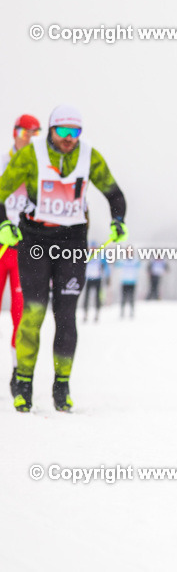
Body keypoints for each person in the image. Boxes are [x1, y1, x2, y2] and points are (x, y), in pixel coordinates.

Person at [0, 105, 128, 412]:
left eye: (76, 132)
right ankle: (24, 383)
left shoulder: (89, 156)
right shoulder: (30, 156)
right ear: (52, 129)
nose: (70, 138)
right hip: (34, 238)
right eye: (64, 131)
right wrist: (4, 223)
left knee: (66, 315)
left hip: (72, 240)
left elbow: (114, 192)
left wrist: (118, 220)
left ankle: (61, 385)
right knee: (33, 313)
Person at [2, 114, 39, 395]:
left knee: (21, 314)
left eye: (34, 134)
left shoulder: (39, 168)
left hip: (24, 249)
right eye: (24, 133)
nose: (28, 139)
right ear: (15, 133)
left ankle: (18, 373)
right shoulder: (4, 162)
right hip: (1, 244)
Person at [81, 241, 110, 322]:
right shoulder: (87, 254)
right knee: (86, 297)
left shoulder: (100, 255)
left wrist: (108, 276)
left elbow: (106, 266)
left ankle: (97, 313)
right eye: (91, 247)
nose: (93, 249)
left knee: (98, 297)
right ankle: (85, 313)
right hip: (88, 279)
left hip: (97, 279)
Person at [117, 253, 141, 318]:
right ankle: (122, 311)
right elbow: (116, 264)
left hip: (132, 282)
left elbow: (140, 265)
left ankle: (131, 311)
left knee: (131, 298)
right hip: (124, 282)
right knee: (123, 298)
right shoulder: (123, 261)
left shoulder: (135, 261)